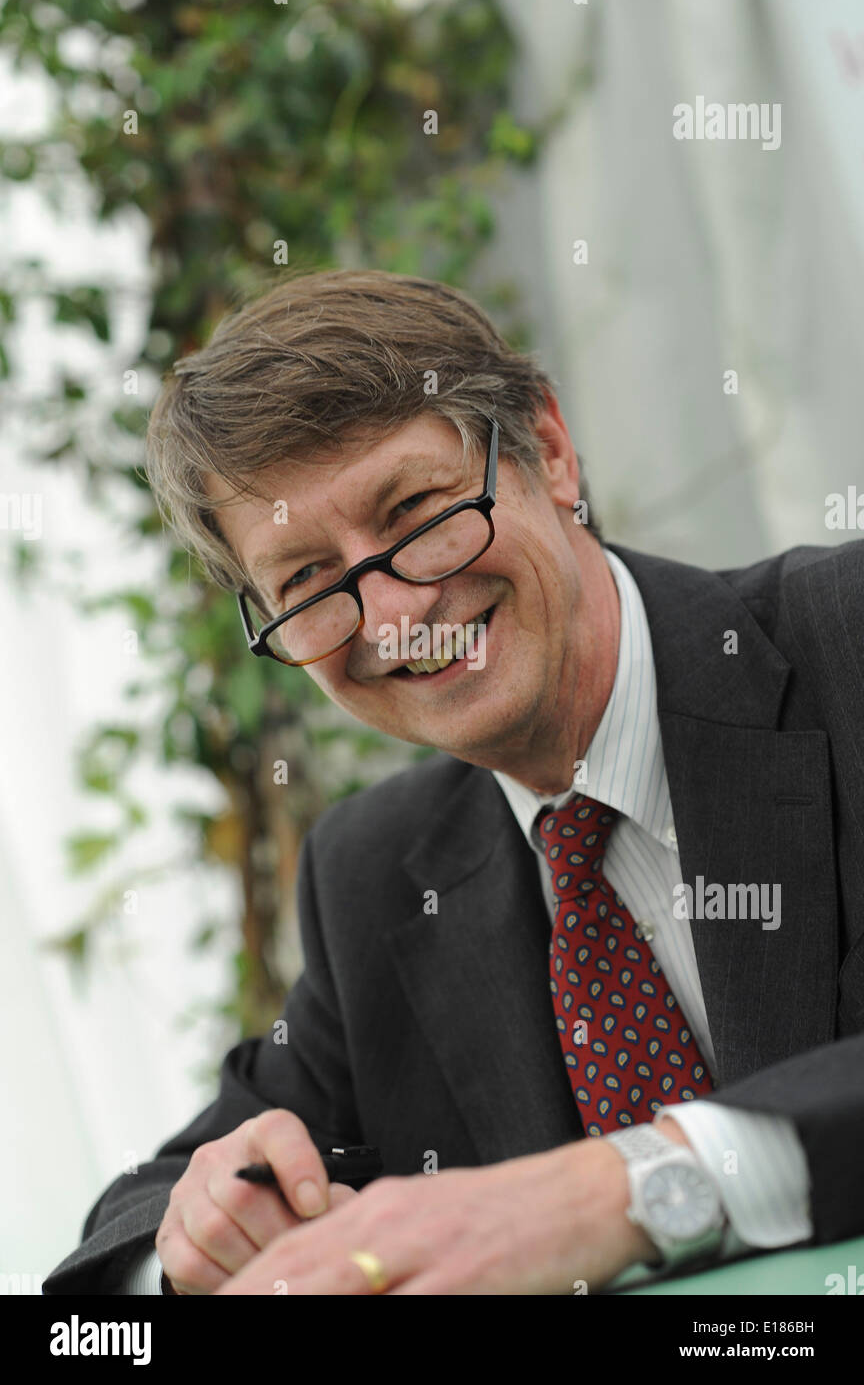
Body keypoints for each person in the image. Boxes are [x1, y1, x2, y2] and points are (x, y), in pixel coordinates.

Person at [43, 269, 864, 1296]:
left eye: (417, 510)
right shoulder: (374, 873)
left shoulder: (848, 639)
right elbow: (130, 1227)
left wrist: (623, 1190)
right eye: (306, 583)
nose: (392, 618)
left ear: (550, 450)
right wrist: (196, 1245)